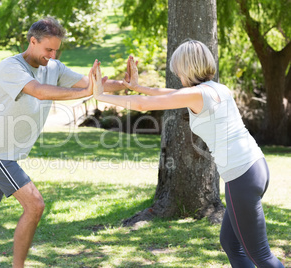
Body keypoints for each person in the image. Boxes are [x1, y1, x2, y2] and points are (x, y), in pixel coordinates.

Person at [91, 40, 285, 268]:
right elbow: (170, 94)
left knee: (260, 255)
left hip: (241, 175)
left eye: (178, 70)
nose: (177, 75)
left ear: (187, 68)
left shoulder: (198, 94)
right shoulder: (214, 89)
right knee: (231, 243)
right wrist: (138, 87)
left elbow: (144, 105)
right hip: (256, 168)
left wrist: (101, 96)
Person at [0, 17, 125, 268]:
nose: (53, 54)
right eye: (48, 49)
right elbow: (40, 91)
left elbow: (91, 84)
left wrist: (127, 83)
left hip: (5, 150)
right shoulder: (11, 67)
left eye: (56, 49)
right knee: (35, 205)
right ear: (32, 41)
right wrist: (88, 91)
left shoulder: (53, 66)